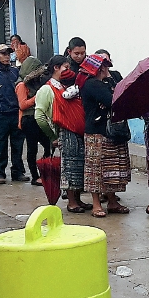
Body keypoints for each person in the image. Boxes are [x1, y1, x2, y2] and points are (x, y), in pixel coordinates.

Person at [80, 54, 131, 217]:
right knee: (97, 171)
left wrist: (110, 83)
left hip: (109, 132)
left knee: (112, 169)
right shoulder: (92, 84)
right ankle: (96, 204)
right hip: (97, 133)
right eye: (104, 67)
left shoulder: (104, 82)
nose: (107, 70)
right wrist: (110, 86)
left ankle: (113, 201)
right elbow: (113, 100)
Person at [54, 38, 91, 212]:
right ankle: (71, 201)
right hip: (68, 124)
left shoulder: (87, 67)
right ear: (69, 52)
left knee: (80, 163)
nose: (80, 56)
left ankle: (78, 199)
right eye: (76, 53)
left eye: (82, 53)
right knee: (70, 163)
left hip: (81, 122)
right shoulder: (64, 72)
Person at [0, 44, 28, 184]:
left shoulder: (15, 71)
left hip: (15, 113)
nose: (7, 57)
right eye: (3, 54)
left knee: (18, 145)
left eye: (8, 54)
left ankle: (18, 172)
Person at [17, 64, 50, 186]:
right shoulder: (22, 85)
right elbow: (22, 105)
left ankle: (44, 172)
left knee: (48, 145)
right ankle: (35, 176)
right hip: (28, 120)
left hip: (39, 118)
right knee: (32, 149)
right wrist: (38, 97)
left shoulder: (37, 83)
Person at [34, 55, 67, 147]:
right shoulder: (46, 89)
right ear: (56, 67)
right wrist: (52, 136)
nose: (68, 70)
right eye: (66, 67)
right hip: (59, 134)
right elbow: (39, 117)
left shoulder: (63, 86)